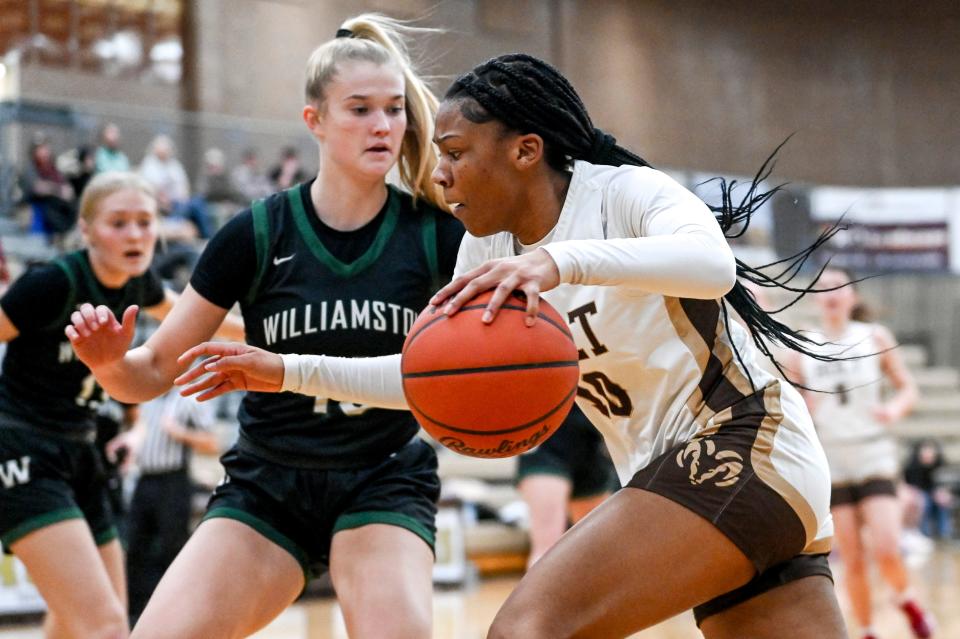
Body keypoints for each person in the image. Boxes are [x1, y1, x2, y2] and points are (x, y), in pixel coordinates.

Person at [172, 54, 851, 638]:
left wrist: (562, 264)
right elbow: (427, 376)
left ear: (525, 150)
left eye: (457, 152)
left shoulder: (625, 194)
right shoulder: (484, 249)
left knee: (528, 627)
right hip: (679, 472)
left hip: (746, 442)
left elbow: (713, 265)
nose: (440, 173)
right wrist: (285, 369)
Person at [65, 15, 463, 639]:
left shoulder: (439, 238)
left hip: (382, 475)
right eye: (359, 109)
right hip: (269, 482)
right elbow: (145, 378)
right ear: (315, 121)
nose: (382, 125)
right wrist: (109, 361)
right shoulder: (255, 234)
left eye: (392, 109)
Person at [0, 172, 171, 639]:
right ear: (87, 228)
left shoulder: (141, 285)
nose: (135, 234)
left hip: (82, 452)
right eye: (119, 223)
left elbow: (200, 319)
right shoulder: (52, 284)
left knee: (80, 621)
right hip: (21, 447)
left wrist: (274, 337)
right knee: (105, 626)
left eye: (144, 221)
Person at [791, 267, 933, 639]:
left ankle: (906, 599)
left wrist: (893, 410)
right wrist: (804, 407)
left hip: (873, 451)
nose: (832, 293)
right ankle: (868, 630)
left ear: (852, 295)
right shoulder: (803, 345)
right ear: (816, 299)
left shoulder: (874, 336)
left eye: (839, 286)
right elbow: (793, 401)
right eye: (824, 288)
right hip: (832, 459)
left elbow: (908, 389)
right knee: (851, 559)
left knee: (887, 548)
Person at [122, 390, 219, 626]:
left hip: (173, 481)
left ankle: (182, 615)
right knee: (135, 548)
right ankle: (136, 617)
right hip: (144, 480)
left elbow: (211, 443)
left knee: (173, 547)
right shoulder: (147, 398)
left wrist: (180, 433)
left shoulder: (188, 399)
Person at [516, 404, 618, 568]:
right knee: (547, 550)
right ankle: (542, 593)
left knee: (597, 551)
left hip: (589, 436)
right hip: (543, 438)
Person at [904, 438, 953, 541]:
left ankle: (944, 533)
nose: (928, 453)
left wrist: (943, 492)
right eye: (925, 450)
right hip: (918, 493)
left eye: (931, 450)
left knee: (942, 503)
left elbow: (945, 483)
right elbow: (911, 486)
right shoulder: (912, 466)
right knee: (925, 503)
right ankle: (924, 533)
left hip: (935, 492)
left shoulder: (941, 464)